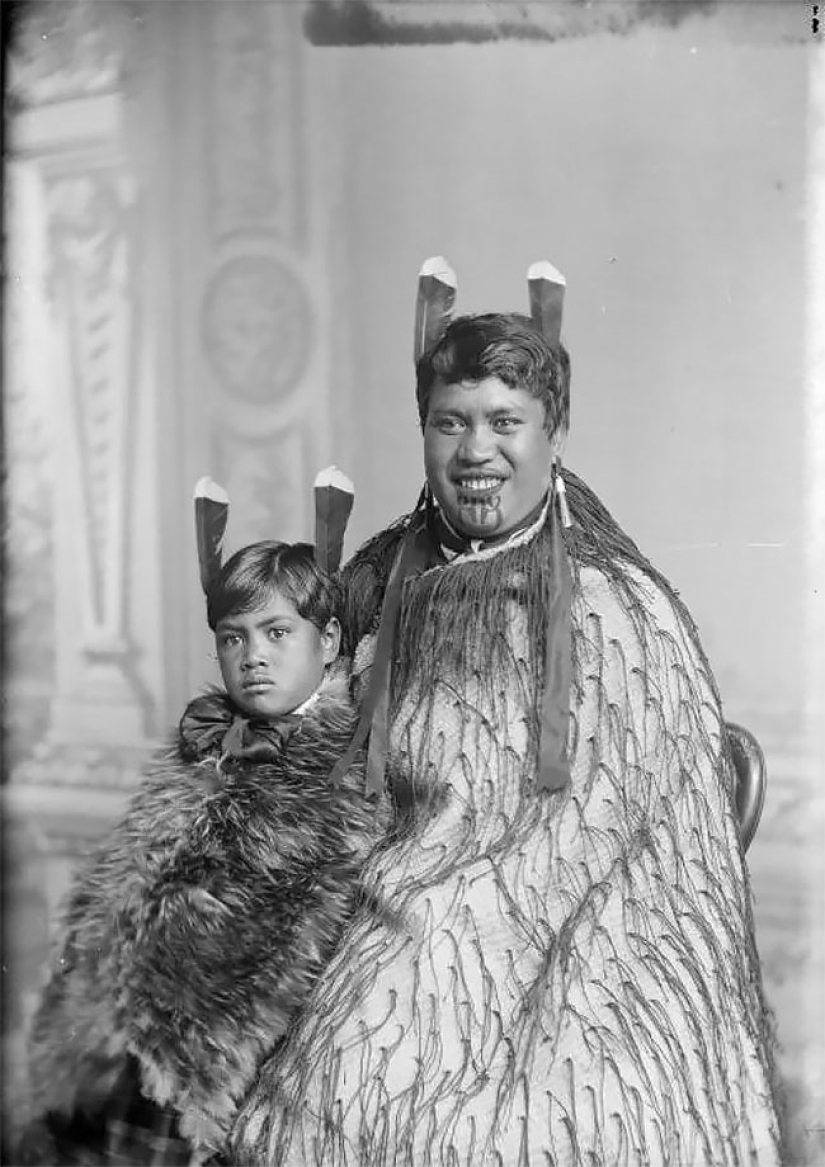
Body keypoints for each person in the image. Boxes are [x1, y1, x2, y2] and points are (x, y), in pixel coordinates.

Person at [224, 262, 785, 1166]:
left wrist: (446, 920)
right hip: (393, 899)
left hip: (589, 933)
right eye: (451, 422)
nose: (475, 451)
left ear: (551, 434)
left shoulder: (613, 607)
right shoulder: (380, 576)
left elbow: (610, 834)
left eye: (503, 424)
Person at [15, 477, 388, 1165]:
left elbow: (256, 948)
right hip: (108, 1047)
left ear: (329, 639)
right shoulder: (205, 747)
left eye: (278, 633)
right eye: (232, 637)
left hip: (196, 1071)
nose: (253, 656)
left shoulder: (333, 781)